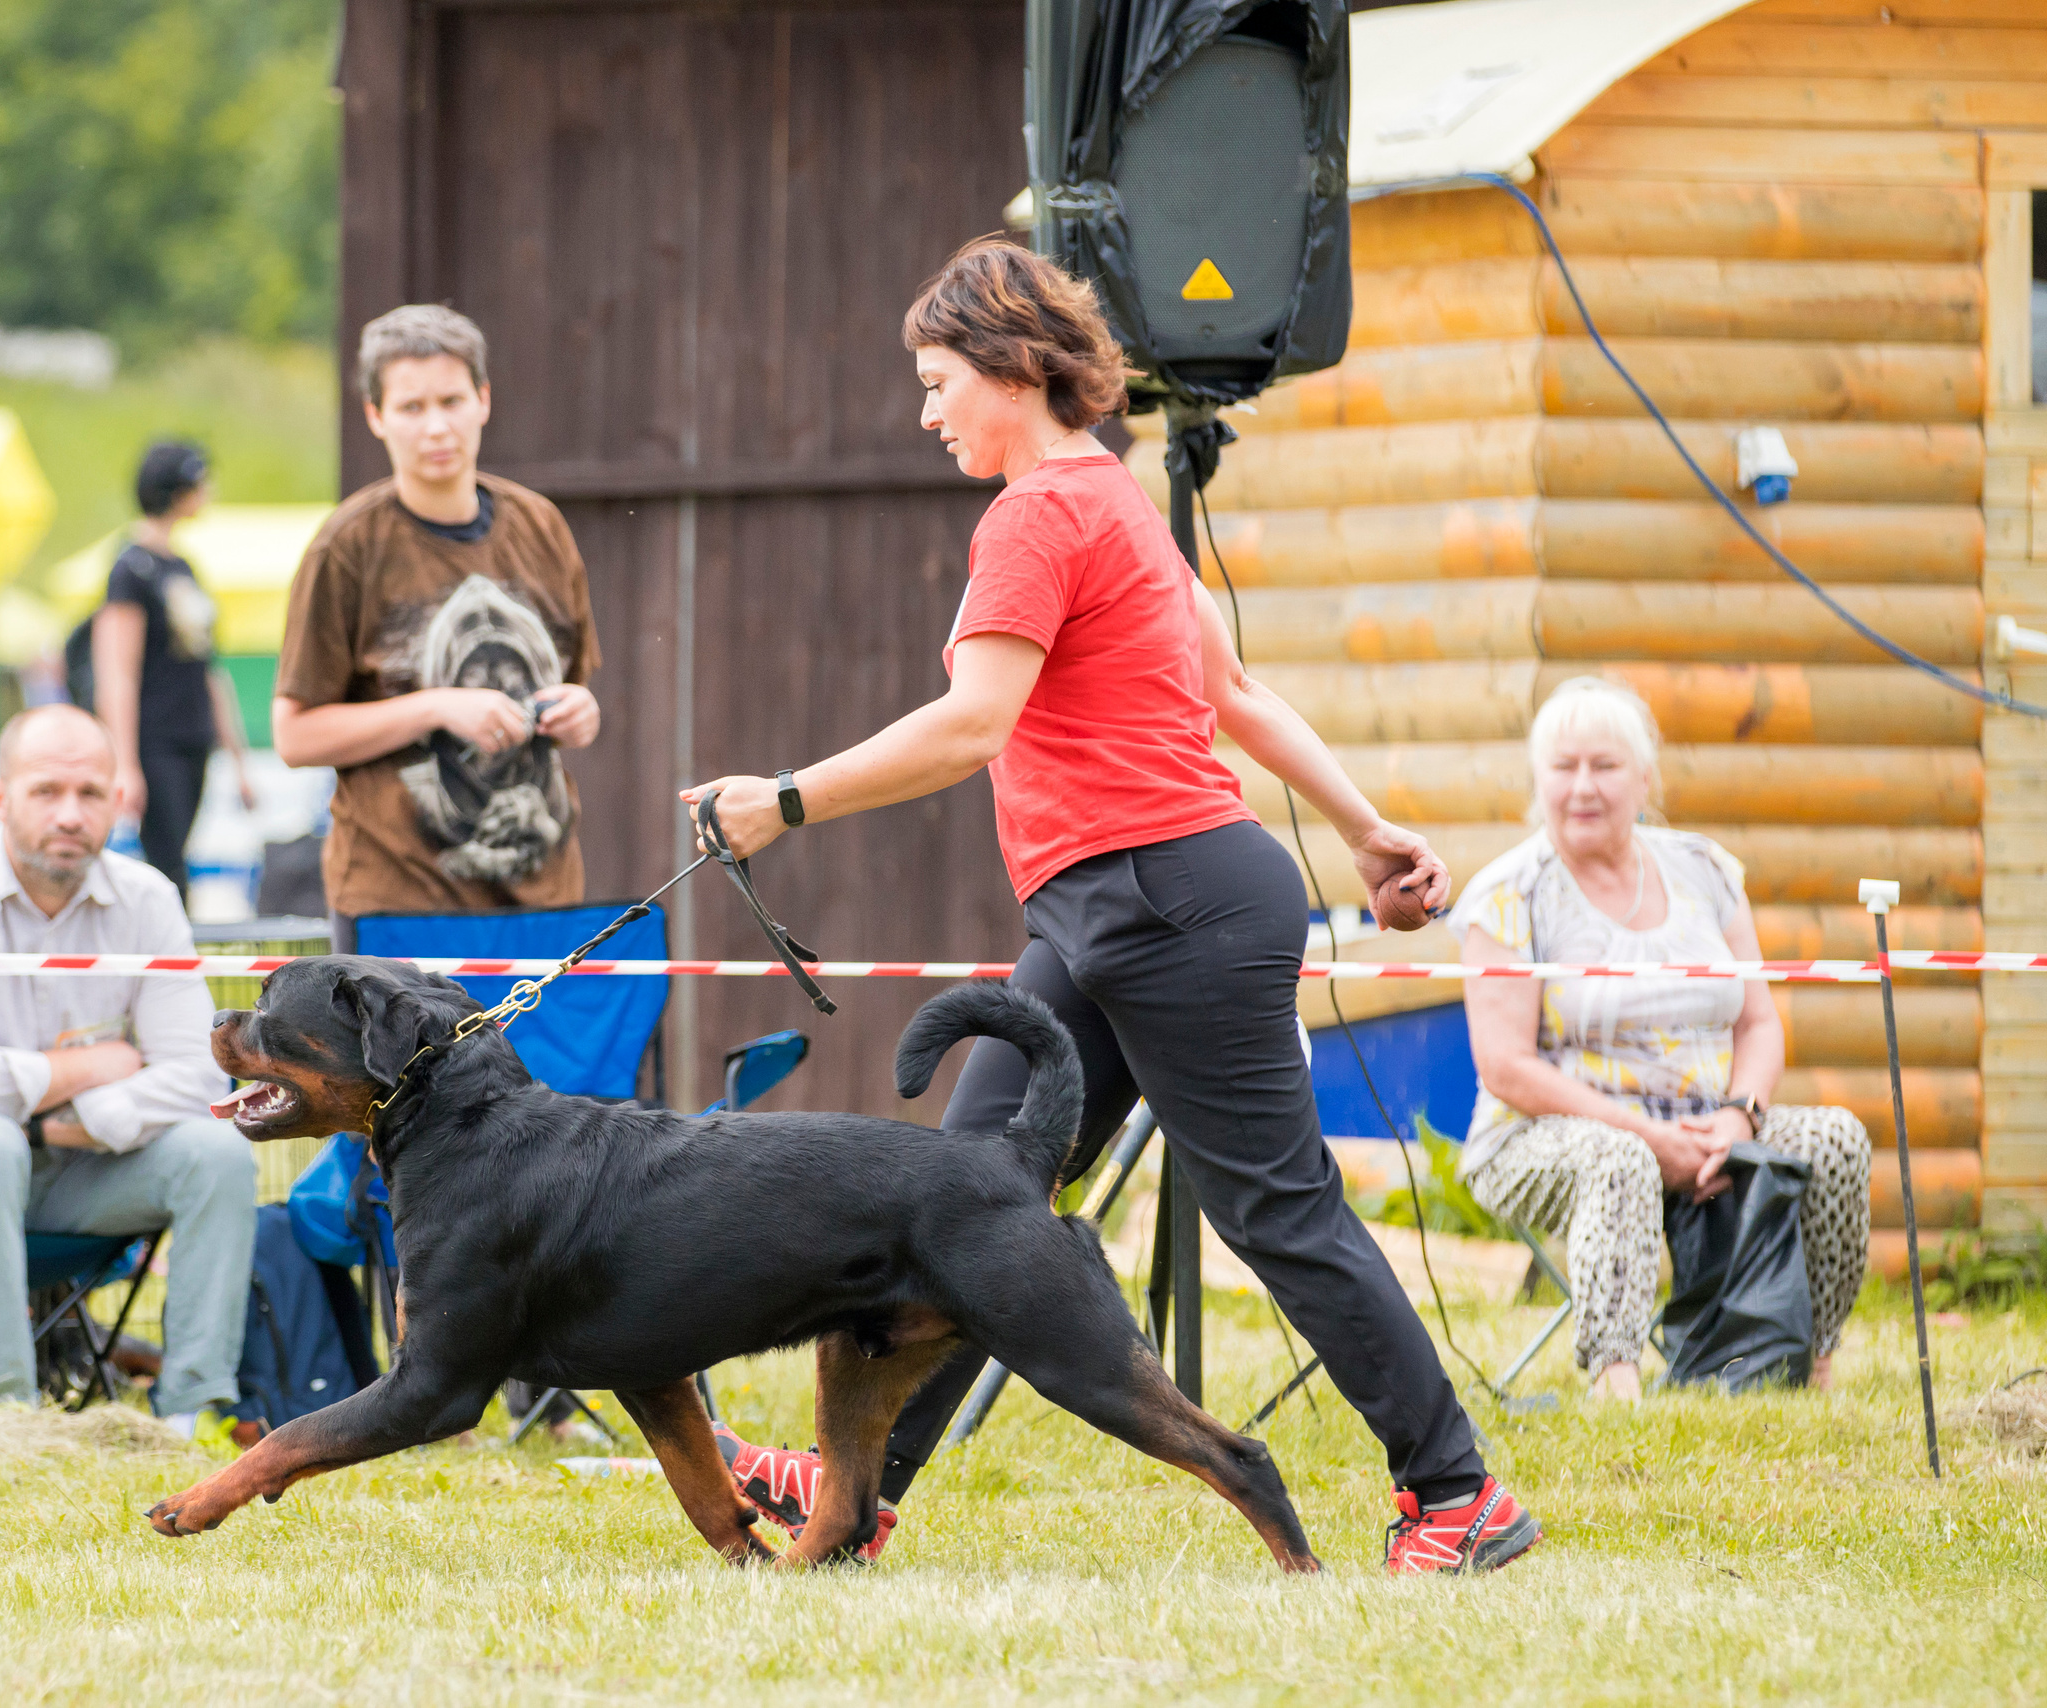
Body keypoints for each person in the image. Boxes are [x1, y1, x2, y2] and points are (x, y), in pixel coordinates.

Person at [687, 238, 1536, 1574]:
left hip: (1167, 899)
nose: (926, 412)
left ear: (1010, 368)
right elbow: (1239, 698)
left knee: (1275, 1209)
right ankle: (857, 1494)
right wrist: (1368, 828)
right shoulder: (1118, 501)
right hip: (1113, 907)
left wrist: (783, 802)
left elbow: (977, 723)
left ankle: (1458, 1500)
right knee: (966, 1200)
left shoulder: (1036, 513)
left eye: (934, 380)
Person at [0, 704, 256, 1434]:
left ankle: (189, 1414)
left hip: (83, 1162)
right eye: (46, 791)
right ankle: (5, 1416)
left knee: (218, 1151)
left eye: (91, 793)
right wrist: (100, 1064)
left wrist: (68, 1121)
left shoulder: (148, 900)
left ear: (119, 802)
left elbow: (200, 1076)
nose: (70, 813)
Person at [1453, 676, 1872, 1402]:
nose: (1583, 786)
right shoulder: (1507, 893)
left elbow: (1759, 1022)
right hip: (1545, 1136)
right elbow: (1505, 1067)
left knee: (1834, 1139)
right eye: (1564, 766)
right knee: (1618, 1158)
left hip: (1709, 1128)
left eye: (1605, 766)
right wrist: (1648, 1136)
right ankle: (1617, 1386)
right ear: (1538, 779)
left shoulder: (1705, 869)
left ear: (1644, 777)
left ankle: (1808, 1363)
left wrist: (1740, 1115)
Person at [271, 304, 603, 943]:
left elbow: (575, 686)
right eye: (411, 407)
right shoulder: (347, 547)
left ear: (483, 400)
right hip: (401, 903)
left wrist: (581, 711)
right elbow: (295, 737)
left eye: (451, 400)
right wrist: (436, 707)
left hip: (545, 895)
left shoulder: (541, 526)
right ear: (375, 416)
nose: (436, 427)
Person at [89, 440, 255, 902]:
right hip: (154, 738)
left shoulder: (183, 566)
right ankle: (171, 965)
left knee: (179, 855)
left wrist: (239, 759)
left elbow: (207, 667)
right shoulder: (130, 569)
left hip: (193, 735)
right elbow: (116, 670)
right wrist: (123, 762)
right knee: (167, 868)